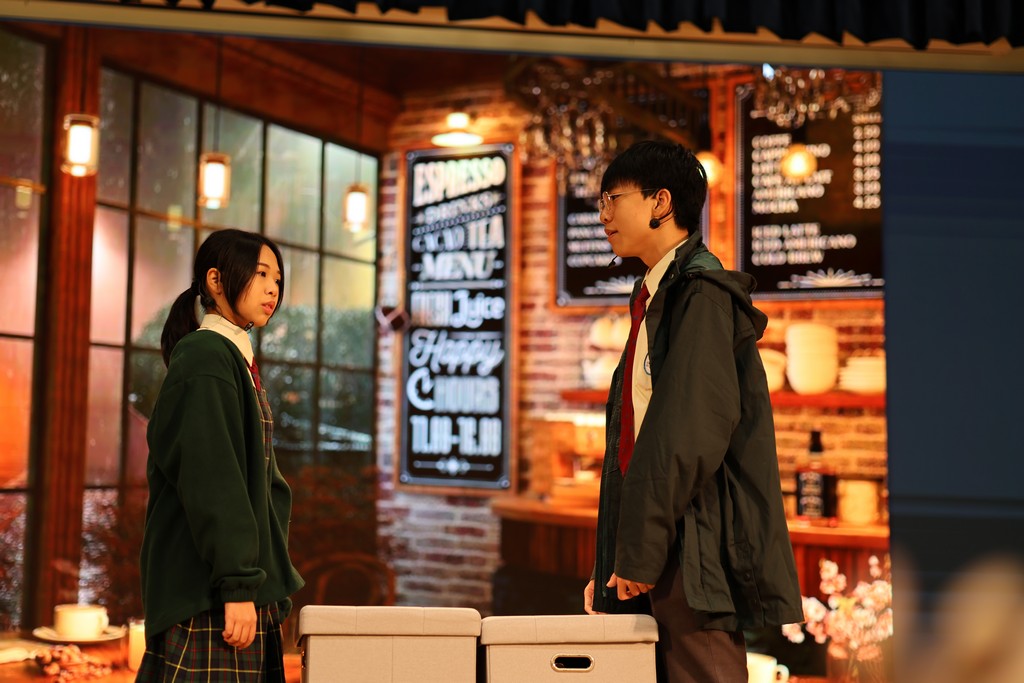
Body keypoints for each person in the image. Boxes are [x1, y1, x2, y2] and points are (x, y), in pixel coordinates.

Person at [582, 140, 803, 683]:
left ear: (660, 202)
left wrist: (637, 551)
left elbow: (686, 432)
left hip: (690, 542)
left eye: (613, 198)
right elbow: (638, 435)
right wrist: (615, 555)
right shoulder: (658, 292)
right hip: (661, 539)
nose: (603, 214)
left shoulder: (699, 292)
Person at [136, 228, 304, 682]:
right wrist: (238, 584)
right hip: (211, 599)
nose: (273, 288)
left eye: (277, 278)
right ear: (215, 280)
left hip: (233, 594)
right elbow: (213, 479)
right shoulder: (206, 355)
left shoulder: (230, 357)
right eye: (260, 274)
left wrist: (256, 583)